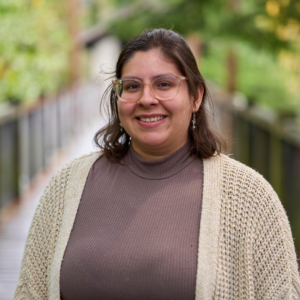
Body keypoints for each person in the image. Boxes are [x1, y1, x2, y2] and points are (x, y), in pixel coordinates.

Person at [15, 29, 300, 300]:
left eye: (164, 84)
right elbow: (30, 291)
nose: (147, 99)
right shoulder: (67, 185)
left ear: (196, 96)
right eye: (132, 86)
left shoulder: (249, 198)